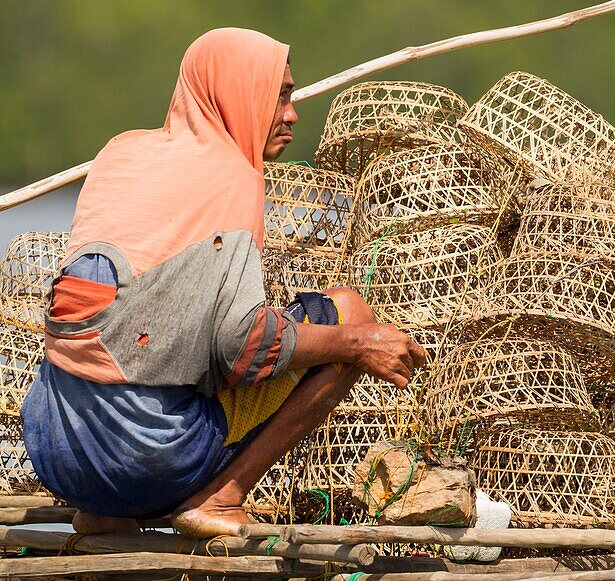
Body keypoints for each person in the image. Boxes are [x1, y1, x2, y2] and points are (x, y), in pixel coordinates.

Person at [20, 28, 427, 538]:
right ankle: (222, 497)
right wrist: (358, 343)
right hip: (148, 460)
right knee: (350, 313)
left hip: (54, 451)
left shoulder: (120, 153)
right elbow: (245, 346)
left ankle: (106, 513)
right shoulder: (232, 174)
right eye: (278, 95)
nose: (292, 113)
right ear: (238, 93)